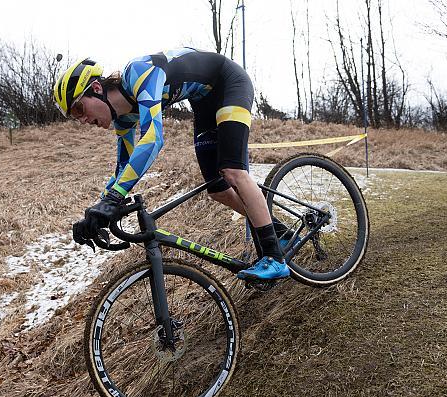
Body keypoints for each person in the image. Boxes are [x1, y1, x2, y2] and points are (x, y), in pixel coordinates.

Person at [53, 47, 289, 281]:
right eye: (74, 116)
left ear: (96, 88)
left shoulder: (138, 73)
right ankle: (280, 232)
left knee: (233, 171)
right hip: (204, 101)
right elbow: (124, 169)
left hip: (229, 82)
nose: (82, 119)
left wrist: (113, 198)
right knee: (217, 189)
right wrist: (99, 207)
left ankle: (274, 257)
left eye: (79, 108)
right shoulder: (124, 120)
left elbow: (153, 139)